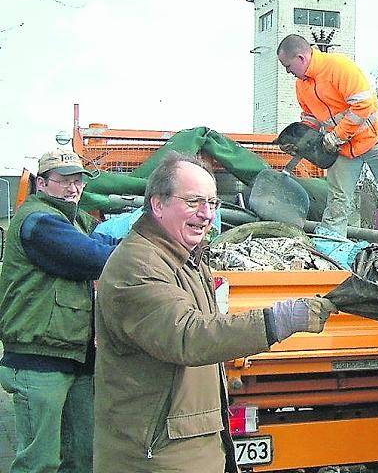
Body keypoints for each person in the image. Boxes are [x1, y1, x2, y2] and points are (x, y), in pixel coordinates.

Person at [93, 153, 337, 473]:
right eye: (194, 201)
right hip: (156, 456)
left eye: (212, 203)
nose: (207, 214)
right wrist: (280, 319)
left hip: (190, 446)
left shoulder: (188, 260)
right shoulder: (138, 265)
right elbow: (188, 335)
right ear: (158, 204)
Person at [0, 148, 119, 473]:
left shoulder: (74, 220)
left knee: (83, 457)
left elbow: (104, 245)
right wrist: (146, 248)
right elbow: (95, 257)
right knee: (39, 462)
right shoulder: (39, 222)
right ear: (41, 183)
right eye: (64, 180)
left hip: (76, 360)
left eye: (78, 181)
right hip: (40, 361)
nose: (73, 188)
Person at [277, 33, 378, 238]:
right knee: (337, 201)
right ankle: (330, 247)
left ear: (301, 58)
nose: (288, 71)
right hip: (343, 148)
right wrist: (301, 140)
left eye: (288, 66)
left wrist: (335, 137)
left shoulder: (339, 67)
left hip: (375, 140)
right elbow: (311, 118)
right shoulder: (301, 85)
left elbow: (363, 105)